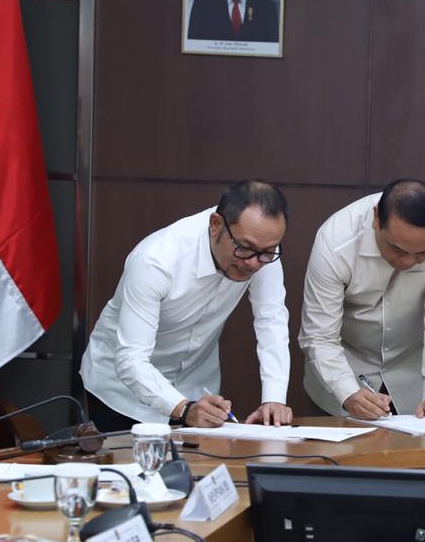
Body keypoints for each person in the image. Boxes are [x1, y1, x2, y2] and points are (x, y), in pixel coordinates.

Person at [81, 180, 293, 430]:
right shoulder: (155, 260)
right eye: (244, 249)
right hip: (121, 393)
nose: (254, 264)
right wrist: (182, 408)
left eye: (267, 252)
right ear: (216, 226)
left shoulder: (260, 249)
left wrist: (274, 399)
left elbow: (272, 321)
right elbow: (131, 358)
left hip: (196, 392)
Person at [300, 179, 425, 421]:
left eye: (423, 253)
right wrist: (348, 392)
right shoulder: (335, 240)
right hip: (344, 370)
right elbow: (320, 335)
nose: (407, 262)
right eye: (397, 249)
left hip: (413, 373)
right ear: (376, 219)